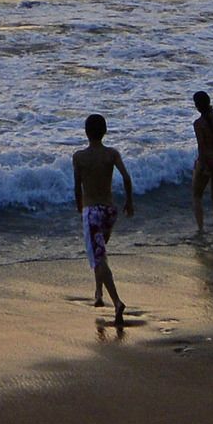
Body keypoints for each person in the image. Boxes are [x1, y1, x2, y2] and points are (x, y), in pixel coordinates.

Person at [71, 113, 137, 319]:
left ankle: (117, 301)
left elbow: (77, 186)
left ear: (85, 132)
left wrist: (79, 205)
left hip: (91, 211)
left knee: (99, 258)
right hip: (109, 211)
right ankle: (98, 293)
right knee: (100, 253)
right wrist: (129, 201)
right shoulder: (112, 154)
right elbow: (126, 177)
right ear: (105, 131)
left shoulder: (79, 157)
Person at [189, 89, 213, 224]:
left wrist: (202, 165)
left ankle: (200, 229)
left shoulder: (198, 124)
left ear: (197, 106)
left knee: (197, 196)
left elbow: (202, 147)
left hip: (208, 160)